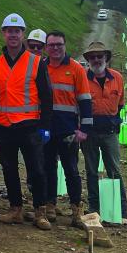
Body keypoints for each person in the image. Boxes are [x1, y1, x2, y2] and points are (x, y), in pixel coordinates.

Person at [0, 13, 53, 230]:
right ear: (3, 33)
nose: (13, 35)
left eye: (17, 31)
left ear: (22, 34)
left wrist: (45, 126)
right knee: (9, 168)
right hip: (4, 125)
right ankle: (15, 209)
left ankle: (40, 211)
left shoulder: (36, 62)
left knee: (36, 169)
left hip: (29, 125)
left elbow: (46, 96)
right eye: (9, 31)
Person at [41, 31, 93, 228]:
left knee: (71, 170)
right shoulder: (42, 67)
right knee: (48, 167)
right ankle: (50, 204)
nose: (55, 48)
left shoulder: (76, 69)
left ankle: (76, 208)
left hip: (69, 130)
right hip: (47, 128)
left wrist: (85, 129)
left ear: (65, 45)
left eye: (59, 44)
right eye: (51, 45)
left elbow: (85, 100)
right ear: (46, 47)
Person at [80, 41, 127, 225]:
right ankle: (94, 209)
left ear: (106, 58)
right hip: (89, 133)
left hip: (110, 132)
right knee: (91, 171)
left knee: (115, 171)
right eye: (92, 57)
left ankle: (122, 210)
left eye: (99, 56)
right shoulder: (82, 78)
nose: (96, 60)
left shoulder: (117, 78)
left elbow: (120, 104)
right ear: (87, 60)